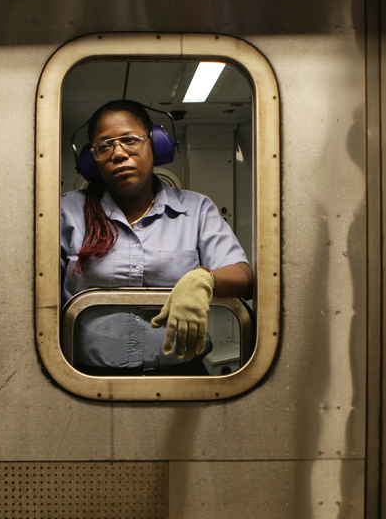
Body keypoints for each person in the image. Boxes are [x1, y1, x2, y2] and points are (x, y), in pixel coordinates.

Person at [60, 99, 253, 376]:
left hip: (183, 373)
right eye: (104, 146)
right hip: (86, 379)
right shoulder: (67, 212)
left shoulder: (196, 209)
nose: (118, 153)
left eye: (130, 140)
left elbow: (244, 278)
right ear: (92, 159)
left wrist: (204, 279)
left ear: (156, 144)